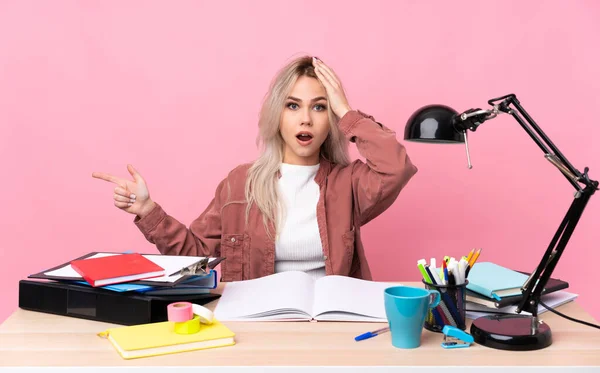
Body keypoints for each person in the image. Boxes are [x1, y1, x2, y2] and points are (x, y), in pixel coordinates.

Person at [92, 55, 417, 282]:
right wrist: (148, 210)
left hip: (333, 326)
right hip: (262, 327)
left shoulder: (349, 183)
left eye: (319, 107)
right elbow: (197, 255)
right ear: (278, 114)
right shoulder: (239, 185)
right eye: (293, 106)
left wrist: (345, 110)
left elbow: (396, 168)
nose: (305, 119)